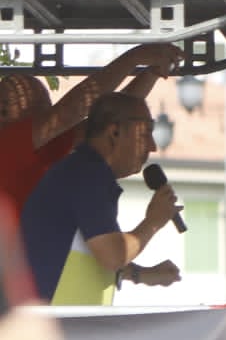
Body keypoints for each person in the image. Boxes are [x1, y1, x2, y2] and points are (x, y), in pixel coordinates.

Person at [20, 91, 183, 303]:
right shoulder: (88, 175)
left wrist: (140, 274)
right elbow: (112, 256)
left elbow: (85, 252)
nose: (152, 146)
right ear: (114, 132)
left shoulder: (82, 172)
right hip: (50, 318)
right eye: (145, 133)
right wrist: (153, 221)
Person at [0, 44, 182, 213]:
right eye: (40, 107)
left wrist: (151, 73)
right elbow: (70, 111)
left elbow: (111, 114)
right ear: (3, 111)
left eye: (46, 106)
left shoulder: (43, 149)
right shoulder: (8, 144)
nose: (45, 113)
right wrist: (133, 58)